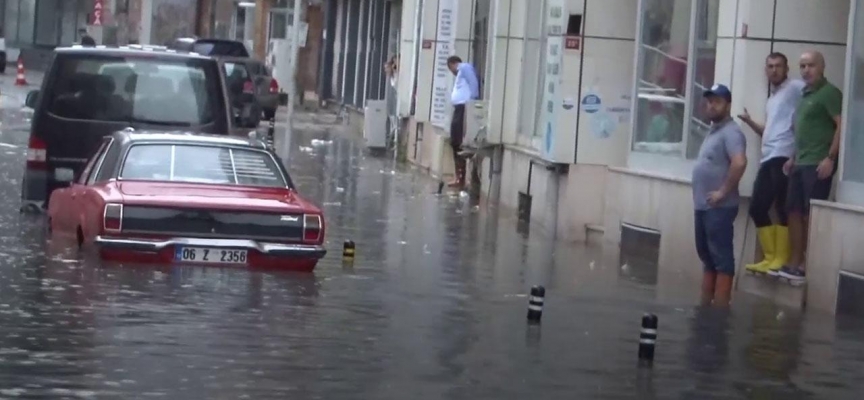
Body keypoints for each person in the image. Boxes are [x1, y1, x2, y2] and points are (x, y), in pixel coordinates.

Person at [777, 51, 843, 283]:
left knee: (809, 214)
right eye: (802, 66)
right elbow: (803, 131)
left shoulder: (829, 93)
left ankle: (807, 263)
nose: (806, 70)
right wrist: (793, 157)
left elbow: (841, 125)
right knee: (792, 211)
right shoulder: (805, 94)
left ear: (822, 67)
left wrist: (831, 158)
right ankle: (795, 259)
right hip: (800, 162)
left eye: (811, 65)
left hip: (818, 163)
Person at [737, 53, 805, 275]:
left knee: (781, 207)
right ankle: (770, 257)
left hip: (783, 154)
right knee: (757, 207)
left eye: (778, 66)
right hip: (768, 155)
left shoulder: (795, 87)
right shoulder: (772, 99)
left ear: (786, 69)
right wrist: (749, 122)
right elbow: (769, 130)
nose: (774, 70)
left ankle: (781, 258)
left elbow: (810, 104)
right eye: (770, 66)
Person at [692, 84, 747, 307]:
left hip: (719, 207)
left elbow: (740, 162)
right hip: (703, 206)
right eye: (709, 101)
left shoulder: (732, 132)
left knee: (721, 258)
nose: (712, 105)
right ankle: (706, 305)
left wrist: (723, 192)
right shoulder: (713, 131)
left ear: (728, 104)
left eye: (717, 101)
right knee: (707, 257)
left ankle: (721, 311)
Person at [446, 55, 479, 189]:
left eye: (450, 68)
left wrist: (472, 102)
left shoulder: (464, 68)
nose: (452, 72)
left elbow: (474, 84)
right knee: (454, 140)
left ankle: (461, 177)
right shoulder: (461, 72)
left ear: (453, 64)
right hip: (459, 108)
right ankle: (459, 175)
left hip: (463, 108)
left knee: (457, 140)